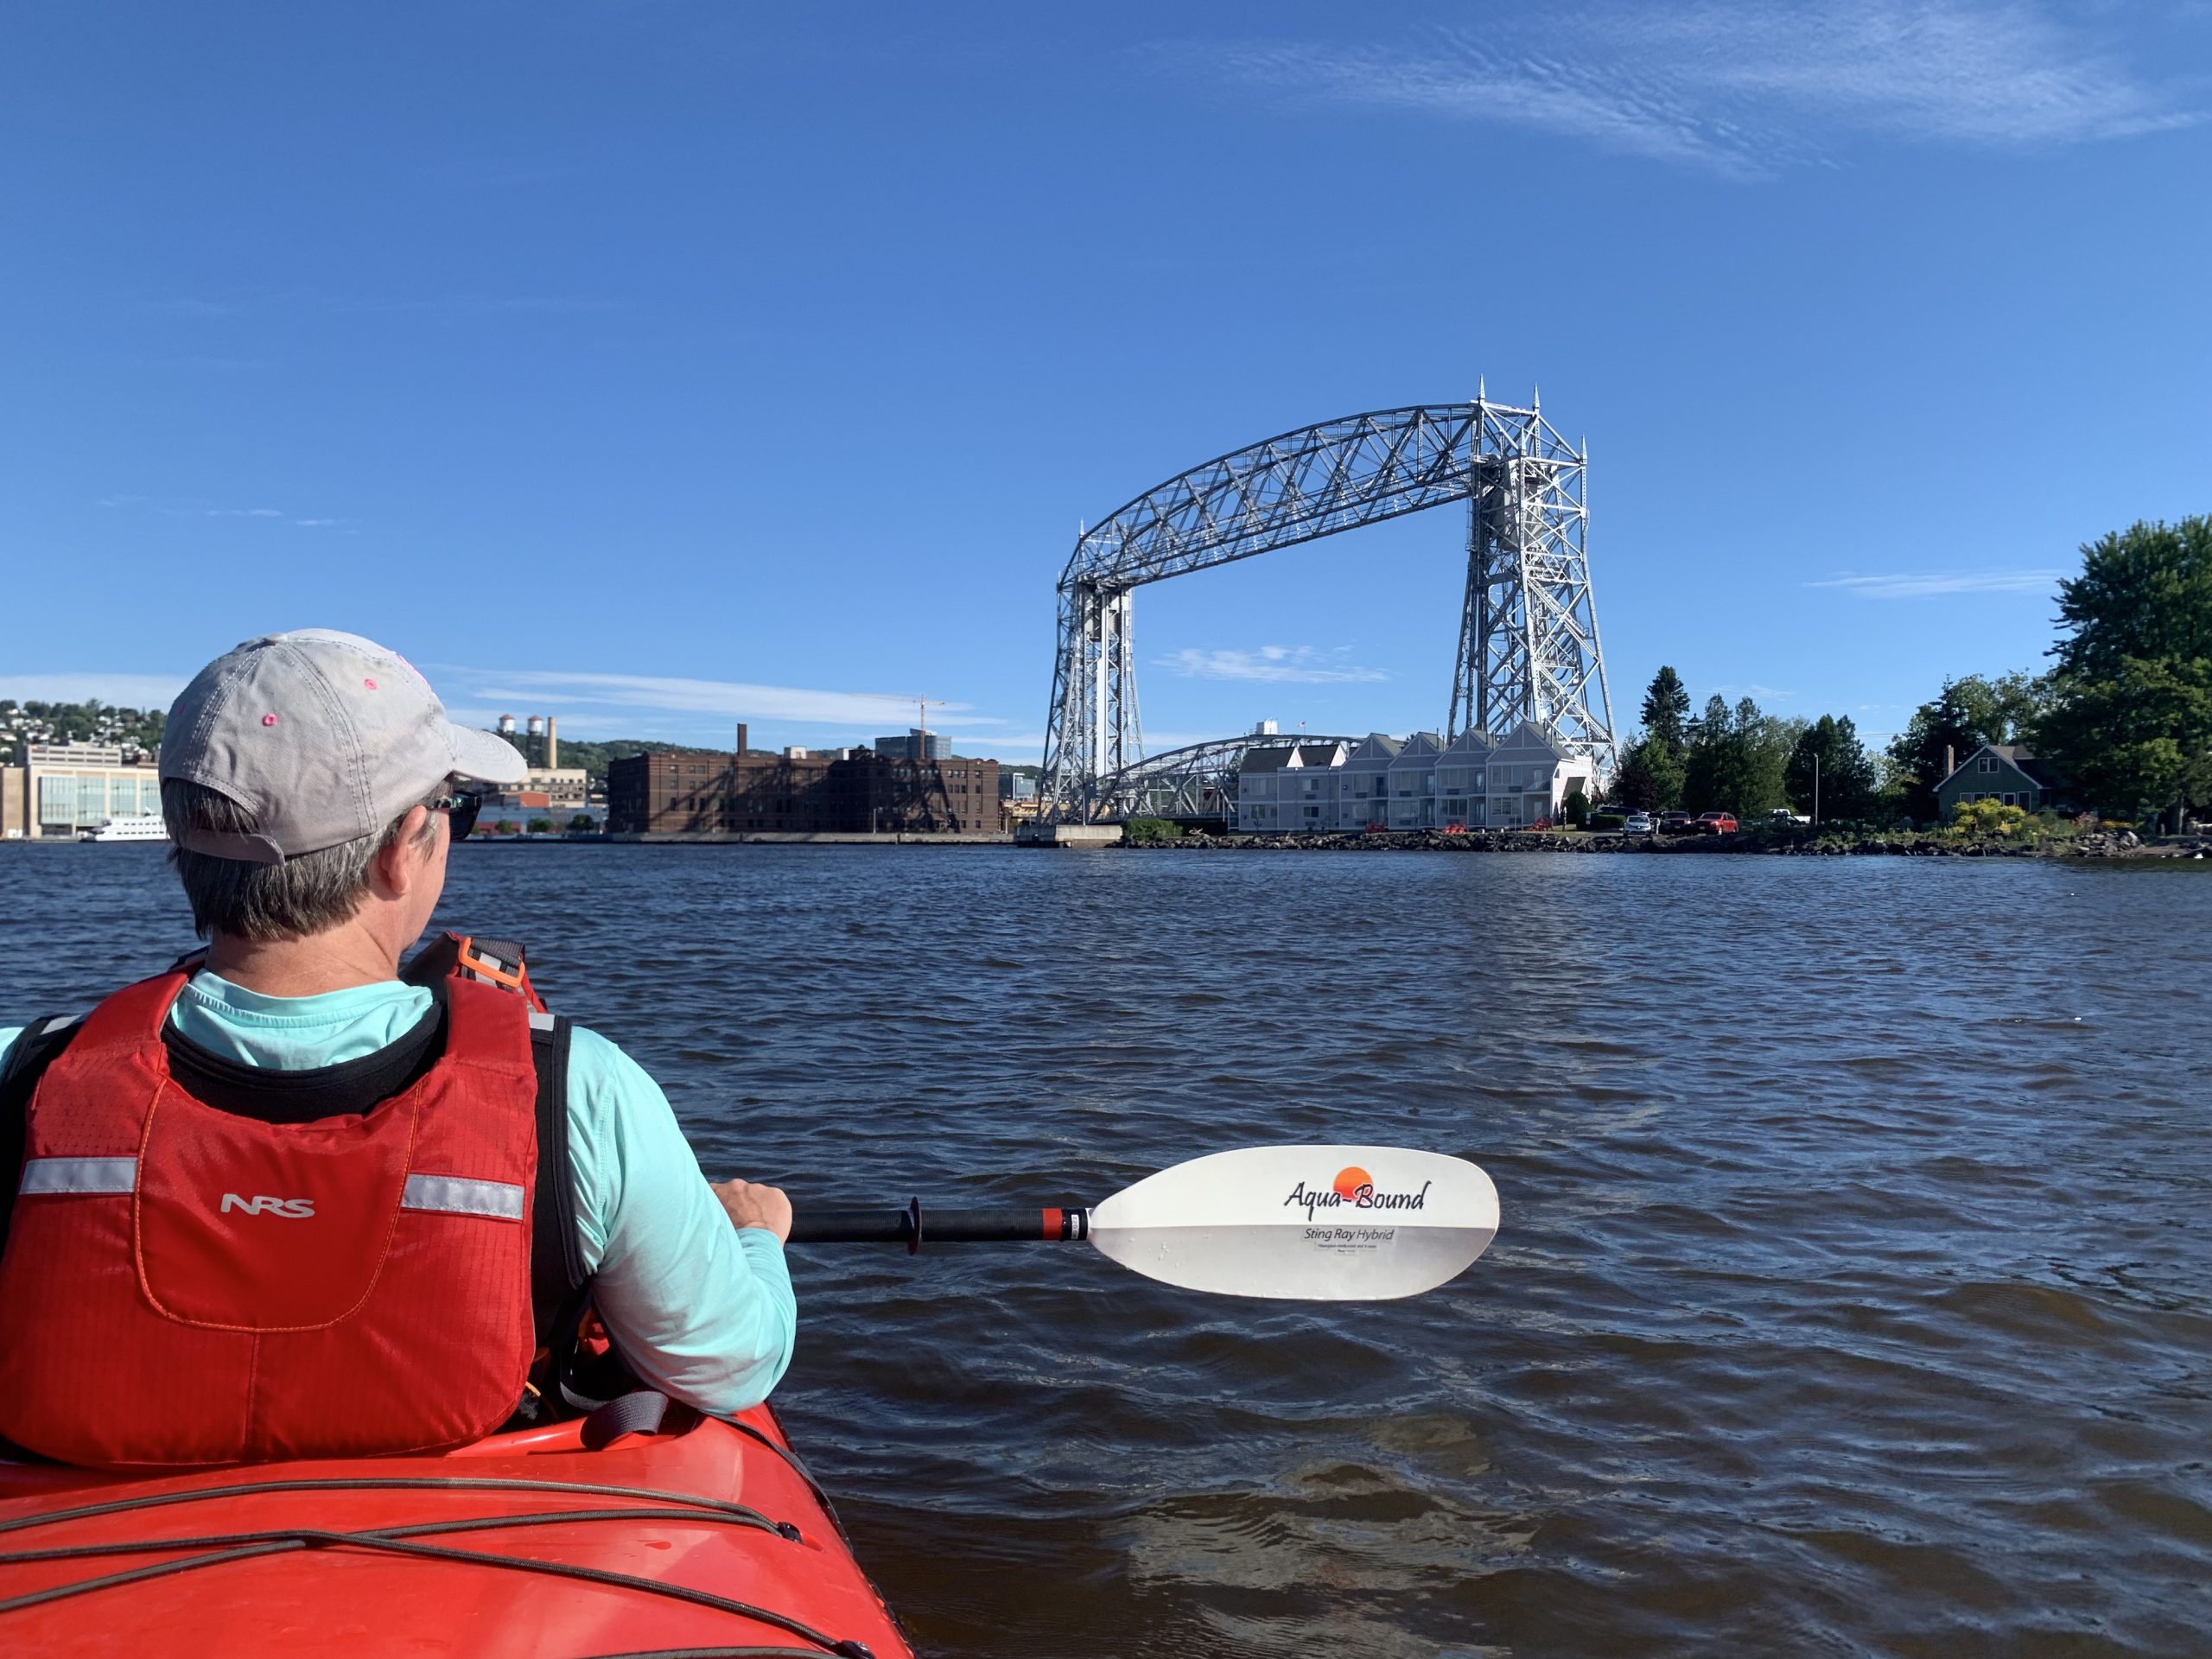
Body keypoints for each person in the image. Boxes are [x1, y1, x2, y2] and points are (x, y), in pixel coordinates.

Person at [0, 630, 794, 1468]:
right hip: (453, 1573)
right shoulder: (579, 1091)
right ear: (400, 848)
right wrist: (755, 1239)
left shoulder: (25, 1072)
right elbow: (724, 1363)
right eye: (460, 811)